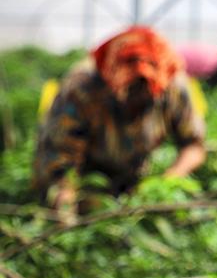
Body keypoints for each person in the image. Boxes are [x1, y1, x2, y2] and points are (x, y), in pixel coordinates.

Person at [32, 26, 207, 217]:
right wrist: (66, 207)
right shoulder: (81, 90)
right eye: (131, 91)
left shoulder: (172, 86)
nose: (137, 99)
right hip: (87, 174)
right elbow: (60, 161)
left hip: (133, 174)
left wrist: (167, 181)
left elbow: (194, 145)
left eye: (144, 92)